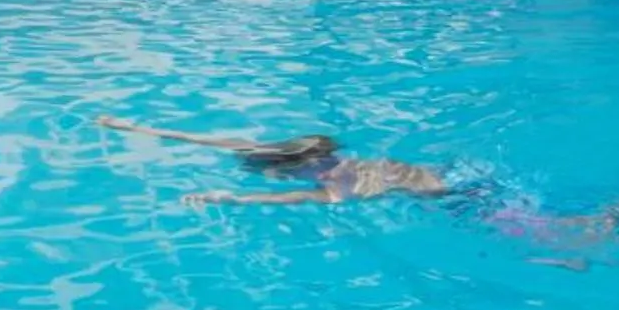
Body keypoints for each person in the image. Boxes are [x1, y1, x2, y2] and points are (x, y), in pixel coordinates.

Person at [96, 114, 619, 234]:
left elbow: (295, 200)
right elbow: (207, 139)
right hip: (465, 179)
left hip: (467, 200)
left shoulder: (338, 183)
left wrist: (227, 198)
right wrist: (132, 128)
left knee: (568, 233)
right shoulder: (342, 163)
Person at [95, 113, 454, 206]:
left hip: (445, 197)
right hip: (443, 176)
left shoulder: (332, 188)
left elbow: (282, 199)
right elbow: (196, 138)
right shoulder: (335, 161)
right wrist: (132, 128)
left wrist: (228, 197)